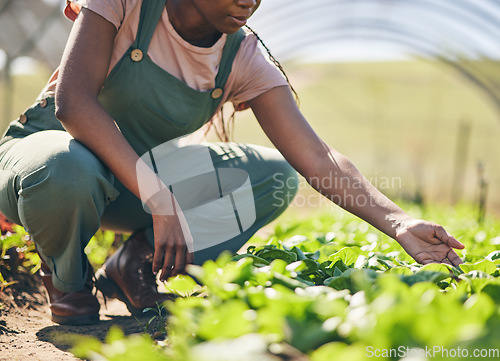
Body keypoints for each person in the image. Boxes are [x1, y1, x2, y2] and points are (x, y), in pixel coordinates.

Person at [0, 0, 464, 326]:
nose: (250, 0)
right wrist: (159, 197)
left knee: (273, 176)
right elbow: (74, 105)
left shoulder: (241, 54)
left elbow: (317, 156)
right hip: (46, 164)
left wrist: (398, 222)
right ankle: (67, 280)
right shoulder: (127, 3)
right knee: (66, 165)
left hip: (131, 186)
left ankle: (133, 261)